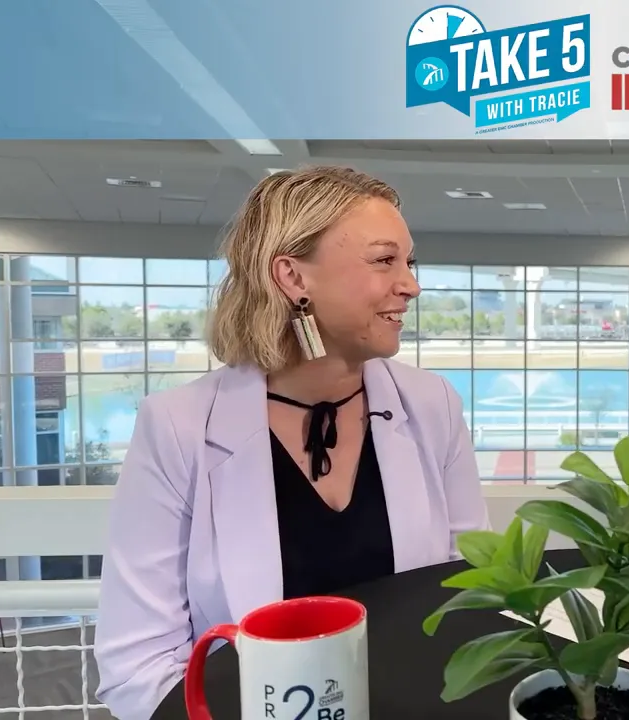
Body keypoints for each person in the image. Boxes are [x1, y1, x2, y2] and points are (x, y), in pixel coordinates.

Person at [93, 166, 489, 720]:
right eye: (384, 260)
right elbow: (138, 665)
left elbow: (467, 595)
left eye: (409, 261)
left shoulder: (433, 405)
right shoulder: (178, 427)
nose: (411, 285)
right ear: (293, 278)